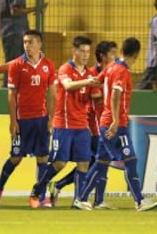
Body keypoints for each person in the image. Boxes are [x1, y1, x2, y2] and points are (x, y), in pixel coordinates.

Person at [73, 37, 157, 212]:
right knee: (130, 160)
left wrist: (75, 85)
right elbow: (115, 95)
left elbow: (96, 81)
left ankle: (82, 199)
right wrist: (115, 121)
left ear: (122, 50)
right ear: (137, 54)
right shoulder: (122, 71)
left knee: (100, 163)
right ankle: (140, 201)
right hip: (116, 125)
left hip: (104, 123)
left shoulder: (110, 67)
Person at [29, 36, 101, 209]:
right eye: (82, 51)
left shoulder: (90, 74)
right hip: (64, 124)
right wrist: (88, 82)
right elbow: (68, 86)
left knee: (83, 163)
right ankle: (39, 188)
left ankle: (79, 200)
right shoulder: (65, 69)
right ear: (74, 51)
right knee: (60, 163)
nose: (85, 55)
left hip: (82, 125)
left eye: (87, 52)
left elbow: (95, 95)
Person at [0, 30, 56, 207]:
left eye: (31, 42)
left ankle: (40, 196)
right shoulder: (17, 65)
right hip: (23, 120)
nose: (27, 46)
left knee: (42, 157)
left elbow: (51, 94)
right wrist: (13, 121)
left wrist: (51, 119)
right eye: (25, 42)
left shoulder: (48, 65)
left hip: (41, 119)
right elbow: (11, 95)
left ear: (39, 44)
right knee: (16, 157)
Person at [48, 41, 117, 209]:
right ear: (103, 56)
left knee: (97, 161)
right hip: (91, 125)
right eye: (112, 54)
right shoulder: (92, 74)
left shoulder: (111, 73)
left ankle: (90, 198)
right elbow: (95, 96)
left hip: (101, 124)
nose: (115, 57)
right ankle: (85, 197)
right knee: (96, 161)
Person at [0, 0, 47, 87]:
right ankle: (7, 93)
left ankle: (9, 91)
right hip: (15, 32)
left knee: (13, 65)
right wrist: (36, 9)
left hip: (9, 31)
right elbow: (15, 10)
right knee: (14, 65)